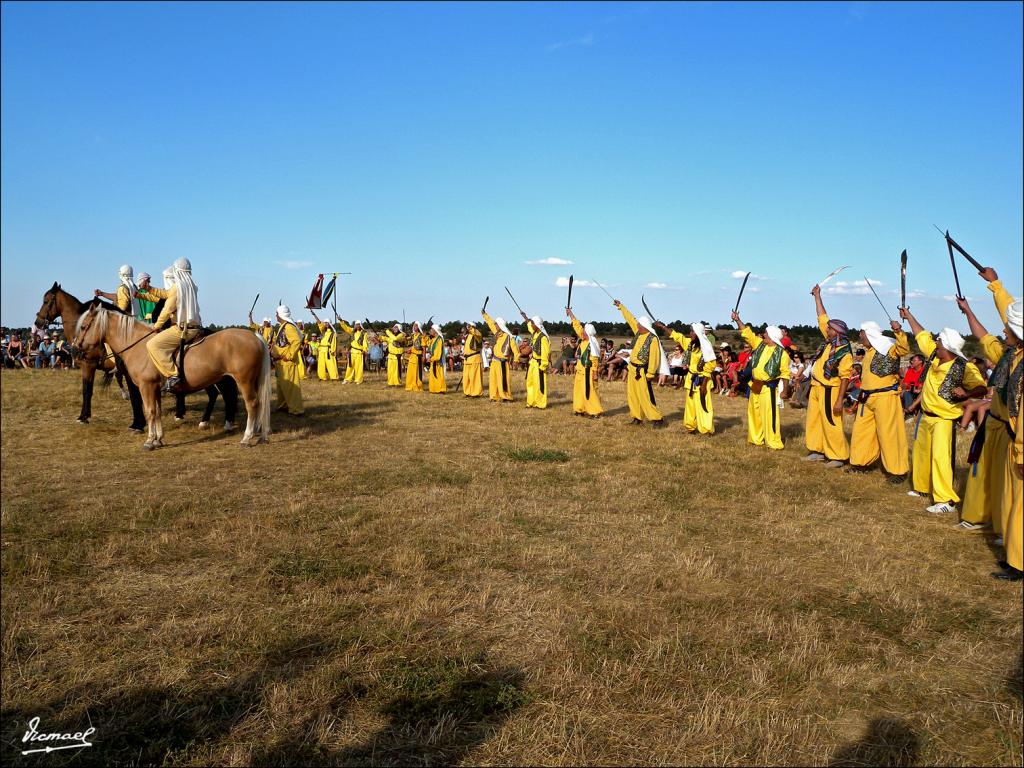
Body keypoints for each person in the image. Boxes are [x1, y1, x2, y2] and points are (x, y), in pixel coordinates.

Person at [954, 269, 1021, 552]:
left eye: (1009, 328)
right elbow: (982, 335)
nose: (1003, 330)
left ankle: (1009, 535)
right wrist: (968, 310)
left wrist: (995, 284)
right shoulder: (1008, 354)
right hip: (992, 425)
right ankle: (983, 520)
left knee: (1010, 487)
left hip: (1011, 432)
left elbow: (1011, 312)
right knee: (985, 477)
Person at [899, 305, 987, 515]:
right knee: (921, 454)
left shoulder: (964, 367)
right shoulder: (934, 357)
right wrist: (909, 315)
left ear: (947, 348)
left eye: (938, 343)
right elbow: (921, 335)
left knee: (940, 457)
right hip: (926, 416)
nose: (934, 345)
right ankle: (921, 488)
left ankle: (945, 499)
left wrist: (965, 394)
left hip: (944, 419)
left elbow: (982, 387)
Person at [848, 320, 910, 482]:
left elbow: (903, 348)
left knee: (889, 434)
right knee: (861, 431)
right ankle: (860, 463)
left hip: (885, 397)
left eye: (861, 333)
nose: (860, 336)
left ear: (869, 333)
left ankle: (897, 471)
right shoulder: (868, 352)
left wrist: (898, 331)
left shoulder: (889, 348)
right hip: (866, 397)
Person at [804, 285, 853, 467]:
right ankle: (817, 450)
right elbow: (822, 316)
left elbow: (845, 377)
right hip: (817, 387)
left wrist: (840, 400)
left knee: (831, 421)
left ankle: (838, 456)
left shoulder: (843, 351)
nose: (827, 328)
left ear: (837, 332)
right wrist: (817, 296)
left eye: (830, 328)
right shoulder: (830, 342)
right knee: (814, 420)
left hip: (829, 390)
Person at [139, 258, 202, 391]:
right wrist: (149, 289)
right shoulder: (190, 286)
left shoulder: (178, 287)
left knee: (152, 345)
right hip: (195, 327)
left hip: (182, 329)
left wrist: (157, 325)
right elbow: (166, 294)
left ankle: (173, 376)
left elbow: (167, 309)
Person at [731, 309, 791, 449]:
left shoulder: (782, 353)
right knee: (754, 413)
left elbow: (785, 374)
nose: (763, 334)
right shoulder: (760, 345)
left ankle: (773, 442)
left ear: (771, 336)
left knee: (769, 415)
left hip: (768, 387)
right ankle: (756, 439)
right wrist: (737, 320)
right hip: (755, 385)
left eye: (765, 333)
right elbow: (747, 333)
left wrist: (785, 391)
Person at [614, 300, 666, 427]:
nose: (636, 325)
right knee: (633, 395)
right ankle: (637, 417)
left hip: (642, 371)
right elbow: (631, 319)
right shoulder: (639, 333)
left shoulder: (652, 339)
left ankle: (656, 418)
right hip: (632, 368)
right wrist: (621, 306)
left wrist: (650, 373)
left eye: (639, 324)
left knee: (645, 396)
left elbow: (654, 357)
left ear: (644, 325)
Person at [566, 308, 603, 417]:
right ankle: (579, 409)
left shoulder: (593, 344)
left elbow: (595, 360)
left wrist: (595, 373)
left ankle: (595, 411)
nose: (582, 332)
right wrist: (571, 314)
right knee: (578, 391)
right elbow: (577, 326)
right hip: (580, 371)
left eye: (584, 331)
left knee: (590, 391)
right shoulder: (584, 340)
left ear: (588, 332)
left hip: (589, 372)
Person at [270, 304, 304, 416]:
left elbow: (296, 341)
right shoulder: (282, 326)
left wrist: (289, 355)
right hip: (280, 362)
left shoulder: (288, 327)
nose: (275, 315)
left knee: (290, 387)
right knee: (281, 386)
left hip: (286, 362)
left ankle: (296, 410)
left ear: (280, 314)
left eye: (276, 313)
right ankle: (283, 406)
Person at [482, 310, 517, 402]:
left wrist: (516, 360)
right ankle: (494, 396)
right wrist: (484, 315)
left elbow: (516, 351)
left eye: (496, 324)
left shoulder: (509, 337)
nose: (495, 325)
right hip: (494, 361)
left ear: (500, 325)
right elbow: (490, 323)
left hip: (502, 362)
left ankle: (505, 397)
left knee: (503, 381)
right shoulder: (497, 334)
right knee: (493, 380)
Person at [518, 312, 551, 409]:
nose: (531, 325)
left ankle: (540, 403)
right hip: (532, 362)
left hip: (540, 363)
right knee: (530, 382)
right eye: (531, 323)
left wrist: (543, 366)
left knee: (539, 384)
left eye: (533, 323)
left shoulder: (543, 338)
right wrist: (525, 318)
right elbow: (529, 326)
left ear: (537, 324)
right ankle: (531, 402)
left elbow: (545, 353)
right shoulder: (535, 334)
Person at [338, 319, 367, 384]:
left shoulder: (364, 333)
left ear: (361, 325)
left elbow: (365, 342)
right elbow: (346, 328)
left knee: (359, 367)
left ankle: (358, 380)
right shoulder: (352, 331)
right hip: (352, 351)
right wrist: (341, 321)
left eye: (359, 324)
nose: (357, 326)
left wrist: (364, 349)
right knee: (350, 366)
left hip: (359, 352)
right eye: (356, 324)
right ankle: (348, 379)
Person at [461, 322, 484, 397]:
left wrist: (471, 328)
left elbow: (477, 333)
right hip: (467, 359)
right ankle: (468, 392)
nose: (467, 328)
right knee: (466, 377)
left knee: (475, 377)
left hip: (474, 359)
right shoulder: (468, 336)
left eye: (469, 326)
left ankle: (476, 393)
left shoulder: (477, 335)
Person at [426, 324, 446, 393]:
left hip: (437, 362)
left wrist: (432, 359)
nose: (430, 331)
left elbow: (438, 353)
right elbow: (429, 347)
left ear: (435, 331)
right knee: (433, 375)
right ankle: (434, 389)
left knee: (438, 375)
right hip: (433, 360)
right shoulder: (433, 339)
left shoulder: (439, 340)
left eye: (431, 329)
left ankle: (440, 389)